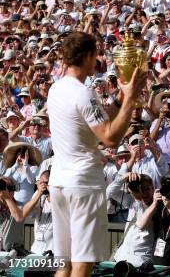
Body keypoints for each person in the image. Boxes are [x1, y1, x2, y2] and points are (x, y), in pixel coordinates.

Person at [47, 32, 146, 277]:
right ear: (89, 55)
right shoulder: (83, 93)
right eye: (97, 55)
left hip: (59, 183)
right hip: (83, 186)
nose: (98, 60)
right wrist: (131, 98)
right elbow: (110, 137)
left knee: (65, 264)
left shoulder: (56, 89)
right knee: (82, 263)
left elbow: (97, 119)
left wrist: (121, 98)